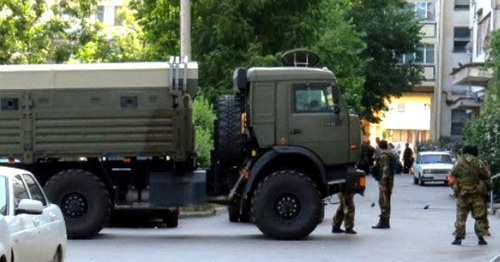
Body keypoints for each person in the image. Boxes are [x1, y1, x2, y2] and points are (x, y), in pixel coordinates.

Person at [449, 145, 492, 246]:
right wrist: (487, 189)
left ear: (463, 152)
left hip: (462, 195)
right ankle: (481, 238)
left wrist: (455, 188)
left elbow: (451, 177)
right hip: (477, 195)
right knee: (479, 216)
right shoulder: (479, 163)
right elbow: (487, 177)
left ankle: (458, 239)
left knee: (461, 217)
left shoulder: (458, 163)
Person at [372, 140, 394, 229]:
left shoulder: (384, 156)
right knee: (386, 200)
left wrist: (383, 183)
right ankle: (385, 221)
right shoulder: (388, 154)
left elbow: (385, 169)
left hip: (385, 181)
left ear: (379, 147)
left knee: (383, 201)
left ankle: (384, 222)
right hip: (388, 180)